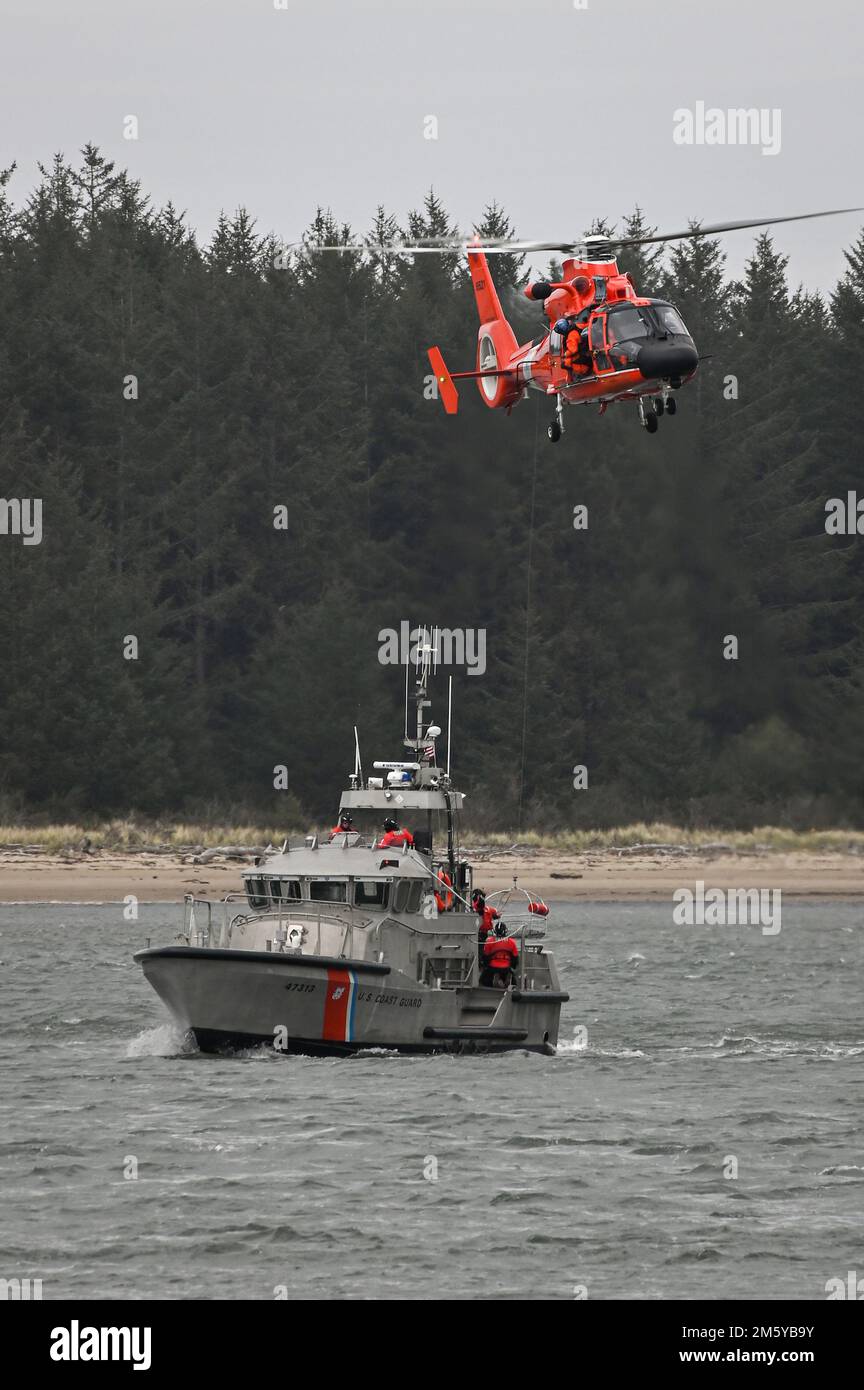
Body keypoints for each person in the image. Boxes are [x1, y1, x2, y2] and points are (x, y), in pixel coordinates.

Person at [481, 921, 520, 988]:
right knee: (513, 981)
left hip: (493, 967)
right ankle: (507, 981)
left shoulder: (489, 941)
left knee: (483, 980)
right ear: (505, 931)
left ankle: (496, 981)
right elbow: (515, 958)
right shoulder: (511, 942)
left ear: (495, 931)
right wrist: (512, 967)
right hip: (506, 968)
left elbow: (486, 956)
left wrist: (485, 966)